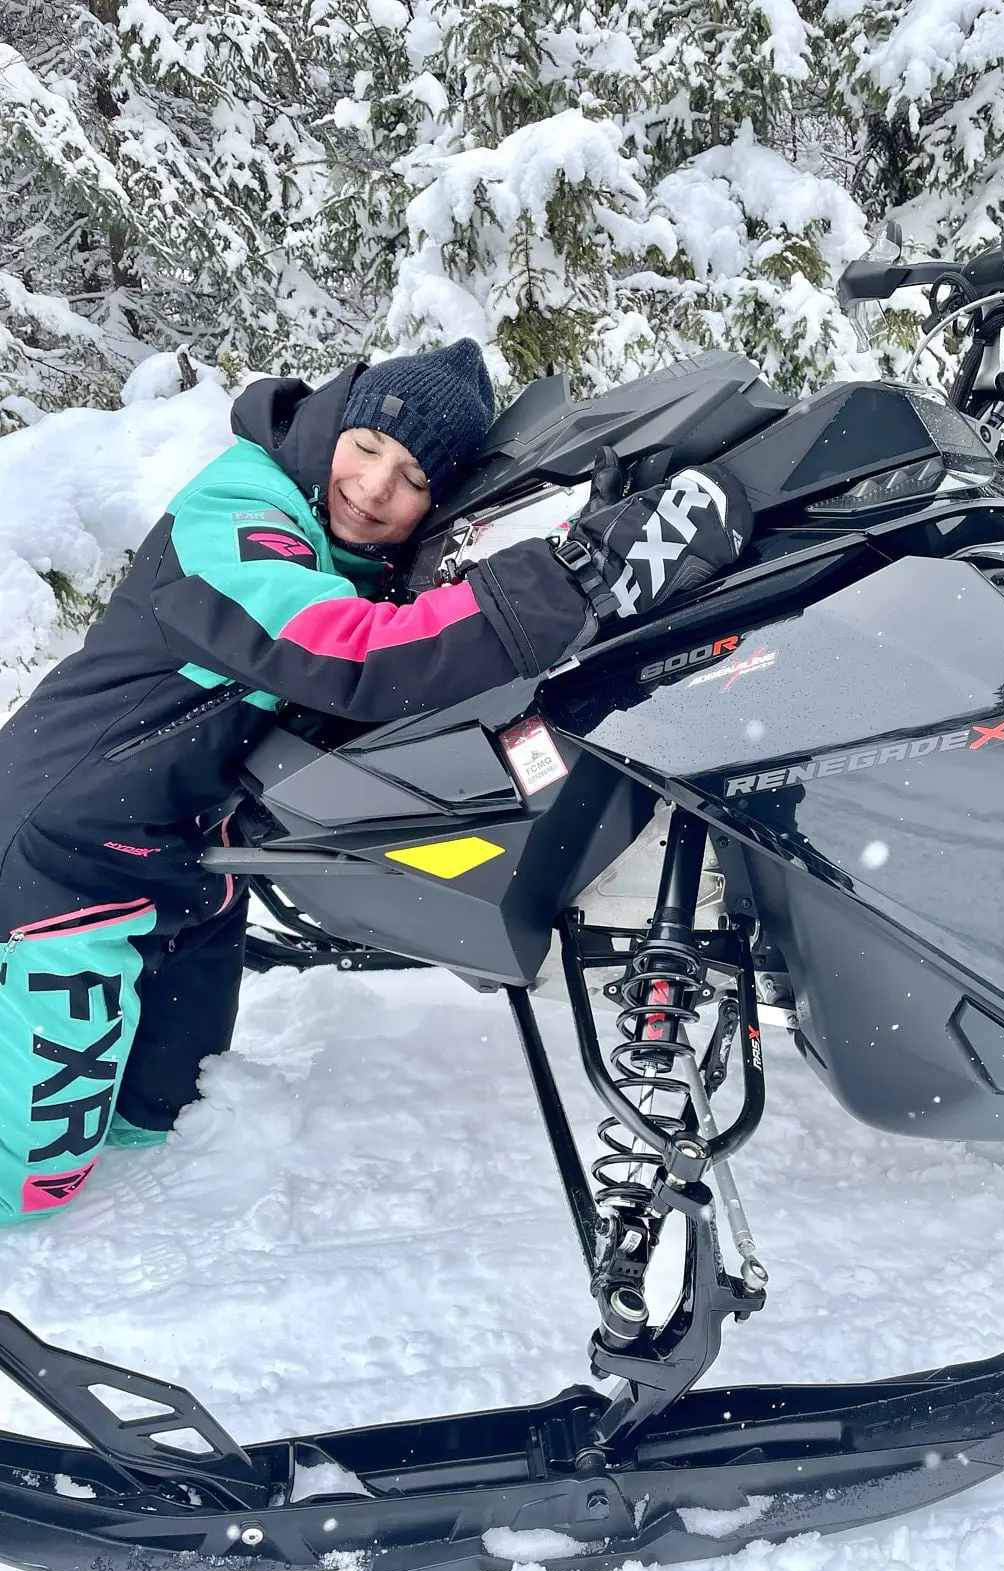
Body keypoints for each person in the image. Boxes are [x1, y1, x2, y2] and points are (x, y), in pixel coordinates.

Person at [0, 340, 752, 1223]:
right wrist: (584, 572)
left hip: (187, 851)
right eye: (366, 446)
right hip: (72, 844)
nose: (374, 486)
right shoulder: (240, 509)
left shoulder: (347, 546)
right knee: (33, 1183)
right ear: (332, 425)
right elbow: (347, 652)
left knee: (155, 1117)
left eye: (413, 479)